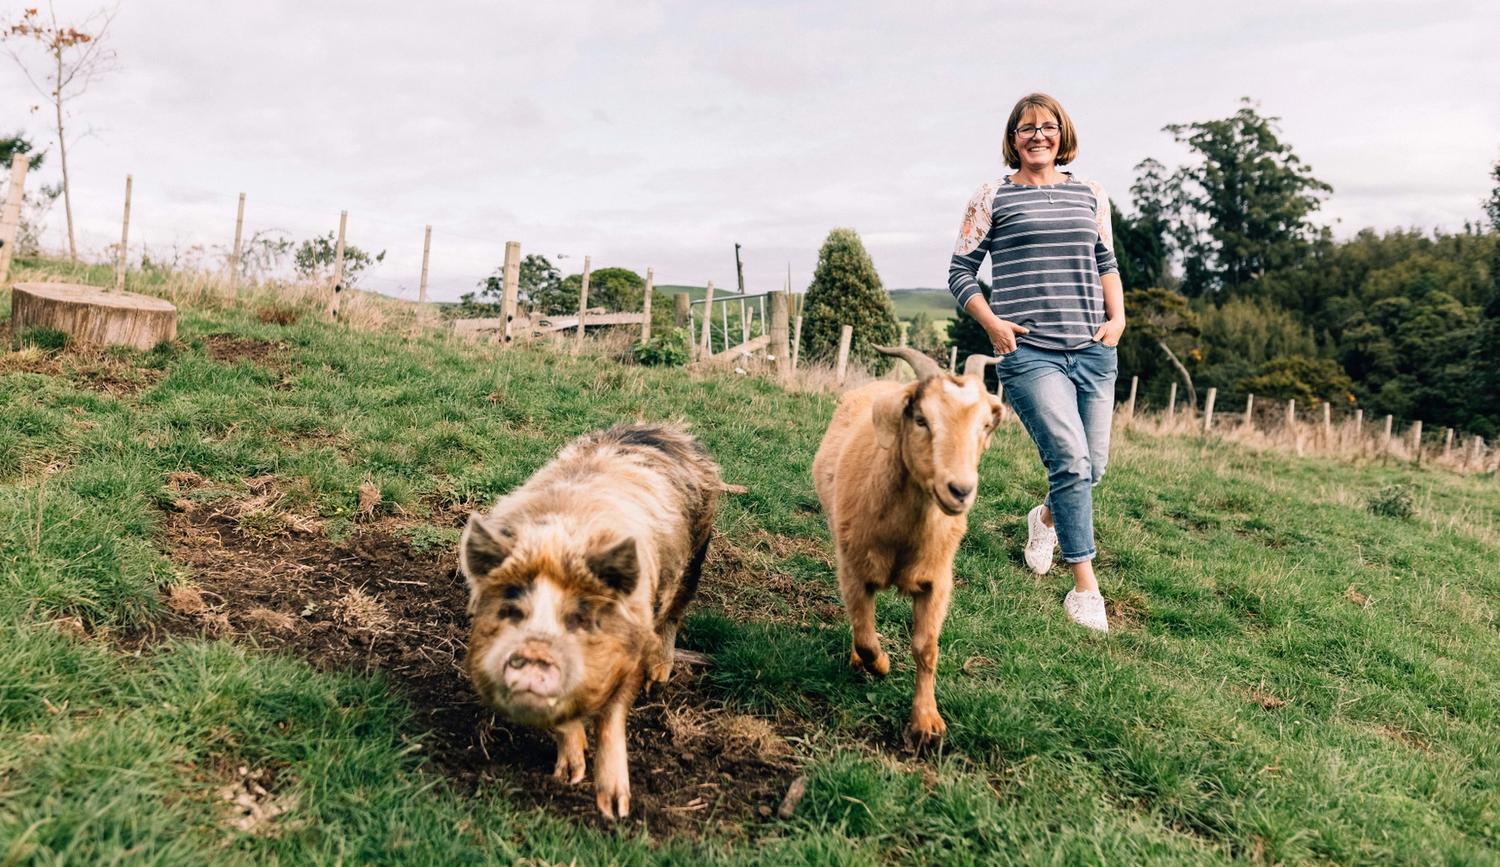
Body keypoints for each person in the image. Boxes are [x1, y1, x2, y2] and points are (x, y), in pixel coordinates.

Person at [947, 92, 1125, 633]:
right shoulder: (991, 196)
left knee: (1093, 466)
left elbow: (1105, 261)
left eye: (1048, 127)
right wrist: (994, 324)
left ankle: (1044, 518)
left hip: (1094, 349)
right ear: (1013, 137)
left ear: (1062, 134)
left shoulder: (1091, 194)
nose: (1038, 136)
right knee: (1069, 461)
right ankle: (1085, 588)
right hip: (1031, 354)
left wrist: (1117, 321)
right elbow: (960, 272)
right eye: (1027, 128)